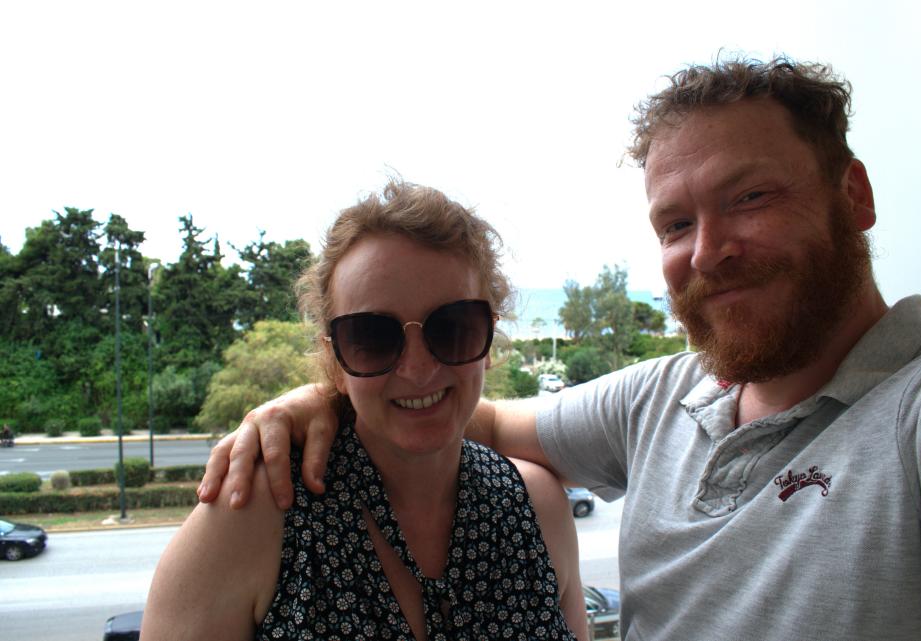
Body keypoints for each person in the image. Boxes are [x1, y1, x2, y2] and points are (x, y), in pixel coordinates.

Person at [199, 57, 921, 641]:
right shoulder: (663, 399)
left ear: (854, 195)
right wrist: (321, 396)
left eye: (749, 197)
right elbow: (464, 415)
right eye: (675, 224)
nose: (707, 252)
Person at [141, 182, 588, 640]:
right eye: (371, 338)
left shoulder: (537, 509)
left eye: (452, 328)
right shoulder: (251, 519)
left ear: (489, 339)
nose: (417, 369)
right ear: (336, 363)